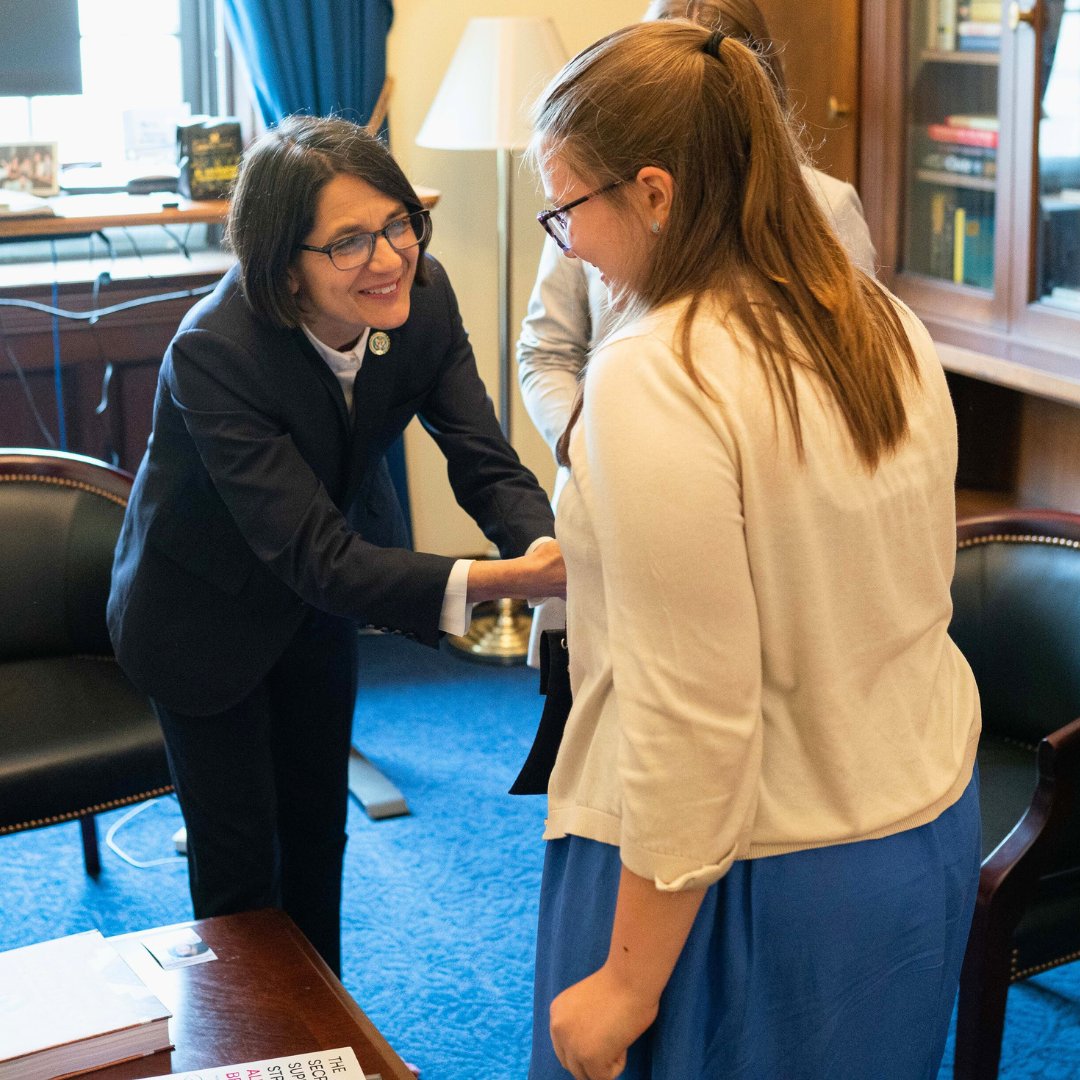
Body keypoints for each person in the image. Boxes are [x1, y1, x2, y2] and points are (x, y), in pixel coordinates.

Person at [526, 20, 981, 1080]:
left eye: (566, 210)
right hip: (910, 831)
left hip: (742, 871)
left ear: (653, 191)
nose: (568, 248)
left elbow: (694, 707)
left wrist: (628, 986)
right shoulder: (871, 315)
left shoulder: (657, 371)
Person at [107, 114, 564, 976]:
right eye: (349, 241)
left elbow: (483, 460)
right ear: (285, 263)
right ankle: (249, 1054)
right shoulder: (217, 351)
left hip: (320, 605)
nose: (388, 257)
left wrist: (548, 550)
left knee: (318, 831)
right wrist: (515, 579)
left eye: (398, 223)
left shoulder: (421, 297)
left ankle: (322, 1041)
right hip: (200, 615)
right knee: (241, 865)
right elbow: (317, 552)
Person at [516, 0, 877, 665]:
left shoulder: (827, 213)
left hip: (761, 546)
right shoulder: (587, 202)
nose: (570, 243)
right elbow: (545, 349)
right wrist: (590, 447)